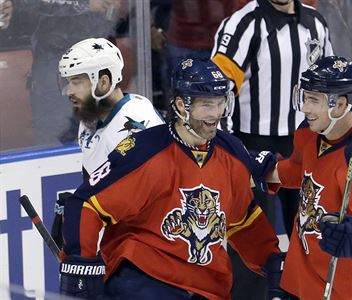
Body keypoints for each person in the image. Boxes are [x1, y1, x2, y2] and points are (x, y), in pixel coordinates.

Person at [59, 58, 285, 299]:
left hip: (206, 286)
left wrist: (273, 265)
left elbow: (243, 220)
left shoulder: (231, 151)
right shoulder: (144, 150)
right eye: (207, 105)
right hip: (144, 277)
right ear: (181, 105)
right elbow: (86, 205)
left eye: (221, 103)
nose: (216, 113)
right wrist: (80, 265)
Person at [251, 56, 352, 299]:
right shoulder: (308, 132)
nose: (305, 108)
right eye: (304, 97)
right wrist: (263, 171)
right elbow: (301, 171)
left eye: (314, 100)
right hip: (305, 280)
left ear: (341, 105)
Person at [211, 0, 333, 297]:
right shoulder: (243, 25)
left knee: (311, 235)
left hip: (305, 144)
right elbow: (216, 90)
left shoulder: (316, 23)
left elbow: (330, 84)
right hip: (250, 146)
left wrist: (333, 139)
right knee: (248, 241)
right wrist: (229, 151)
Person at [58, 37, 165, 178]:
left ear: (103, 82)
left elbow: (148, 190)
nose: (70, 91)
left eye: (76, 82)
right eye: (68, 82)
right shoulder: (90, 117)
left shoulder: (137, 122)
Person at [22, 0, 121, 146]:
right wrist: (85, 3)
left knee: (102, 132)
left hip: (98, 55)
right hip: (56, 57)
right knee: (55, 134)